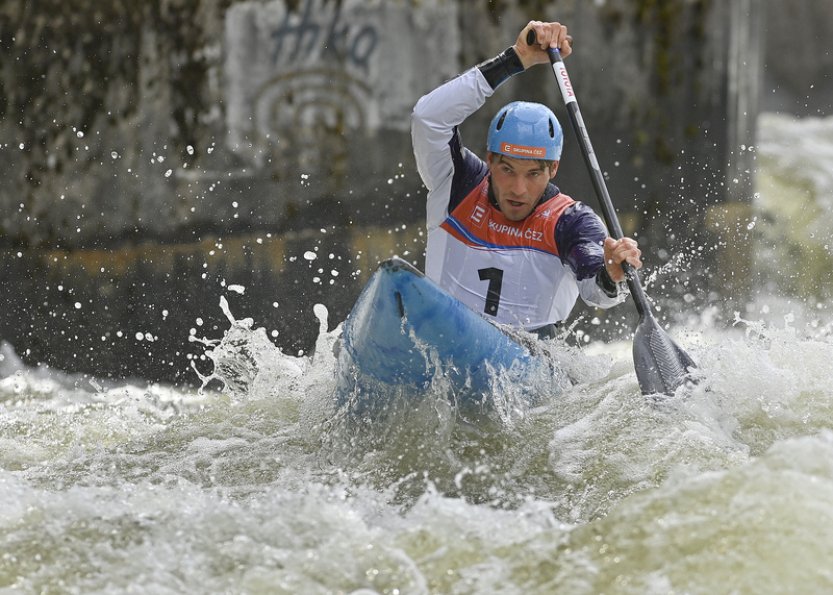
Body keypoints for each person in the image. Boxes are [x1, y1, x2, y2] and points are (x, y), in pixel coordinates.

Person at [411, 20, 643, 338]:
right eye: (507, 170)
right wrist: (515, 58)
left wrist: (611, 272)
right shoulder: (456, 184)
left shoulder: (572, 223)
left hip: (527, 371)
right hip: (438, 337)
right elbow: (428, 118)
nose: (518, 189)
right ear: (490, 160)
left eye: (533, 174)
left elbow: (596, 290)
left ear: (553, 170)